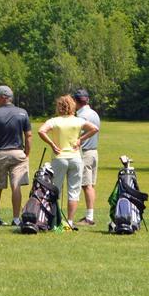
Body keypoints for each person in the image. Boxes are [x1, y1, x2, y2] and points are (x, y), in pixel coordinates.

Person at [38, 95, 99, 229]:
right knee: (74, 191)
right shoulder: (78, 120)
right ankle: (70, 221)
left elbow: (41, 131)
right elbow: (95, 128)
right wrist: (80, 140)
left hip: (59, 158)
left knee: (55, 190)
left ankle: (54, 220)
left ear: (59, 107)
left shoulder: (54, 121)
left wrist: (52, 144)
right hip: (75, 158)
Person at [0, 85, 32, 226]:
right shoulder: (23, 113)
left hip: (0, 153)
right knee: (16, 186)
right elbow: (28, 135)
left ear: (3, 98)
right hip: (18, 153)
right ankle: (16, 219)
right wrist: (27, 153)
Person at [73, 89, 101, 225]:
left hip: (85, 153)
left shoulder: (81, 116)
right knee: (90, 185)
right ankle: (89, 214)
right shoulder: (94, 113)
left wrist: (79, 139)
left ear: (76, 101)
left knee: (86, 185)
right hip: (94, 151)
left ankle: (89, 217)